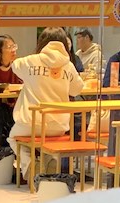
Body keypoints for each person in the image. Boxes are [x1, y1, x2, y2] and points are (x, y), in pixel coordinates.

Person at [8, 27, 83, 175]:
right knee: (50, 142)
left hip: (31, 122)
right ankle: (49, 161)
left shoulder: (30, 61)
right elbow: (76, 90)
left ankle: (30, 164)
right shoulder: (68, 65)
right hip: (59, 124)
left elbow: (14, 66)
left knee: (13, 138)